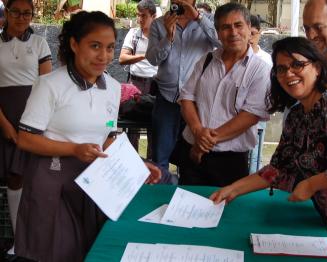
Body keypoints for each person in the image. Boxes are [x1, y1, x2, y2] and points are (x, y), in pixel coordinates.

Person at [14, 11, 161, 261]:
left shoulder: (113, 89)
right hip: (52, 182)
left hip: (93, 182)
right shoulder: (49, 85)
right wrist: (73, 149)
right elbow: (25, 139)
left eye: (109, 47)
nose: (104, 56)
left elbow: (107, 138)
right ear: (74, 44)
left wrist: (136, 165)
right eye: (95, 46)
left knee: (89, 249)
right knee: (57, 252)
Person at [210, 37, 327, 237]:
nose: (288, 74)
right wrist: (233, 189)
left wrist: (312, 184)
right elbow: (278, 168)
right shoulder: (297, 115)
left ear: (317, 68)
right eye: (281, 69)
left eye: (297, 65)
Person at [177, 3, 270, 187]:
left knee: (228, 213)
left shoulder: (260, 70)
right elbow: (186, 98)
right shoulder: (206, 60)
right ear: (218, 33)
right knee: (186, 209)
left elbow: (250, 116)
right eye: (226, 27)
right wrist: (197, 132)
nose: (233, 32)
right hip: (193, 154)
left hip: (231, 161)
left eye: (238, 25)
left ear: (250, 29)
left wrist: (204, 142)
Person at [0, 0, 52, 258]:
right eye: (16, 12)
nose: (22, 17)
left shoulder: (39, 43)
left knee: (37, 177)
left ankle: (38, 237)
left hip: (32, 118)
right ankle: (18, 240)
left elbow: (46, 85)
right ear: (6, 12)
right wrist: (5, 125)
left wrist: (33, 123)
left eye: (27, 13)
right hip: (4, 118)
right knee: (14, 178)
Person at [146, 0, 220, 170]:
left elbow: (221, 43)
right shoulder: (159, 24)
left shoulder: (208, 22)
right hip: (167, 97)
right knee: (160, 155)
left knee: (193, 156)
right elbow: (152, 59)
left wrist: (198, 17)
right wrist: (168, 38)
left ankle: (186, 194)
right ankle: (161, 192)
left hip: (197, 100)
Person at [119, 0, 157, 159]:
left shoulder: (161, 35)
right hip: (135, 83)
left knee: (153, 127)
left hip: (155, 84)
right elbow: (122, 58)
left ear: (153, 16)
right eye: (138, 15)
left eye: (144, 16)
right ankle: (131, 161)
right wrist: (144, 56)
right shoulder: (134, 34)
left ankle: (150, 163)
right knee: (131, 126)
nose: (140, 19)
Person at [248, 14, 272, 174]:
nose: (249, 38)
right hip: (235, 115)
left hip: (258, 115)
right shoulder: (234, 57)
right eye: (247, 32)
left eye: (253, 33)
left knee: (255, 154)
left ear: (260, 33)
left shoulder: (267, 59)